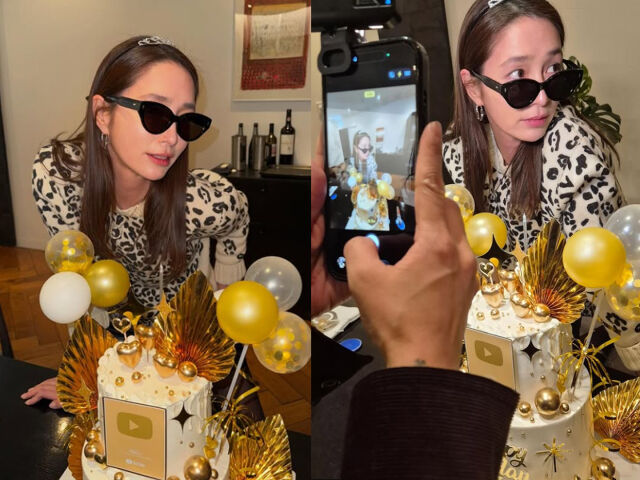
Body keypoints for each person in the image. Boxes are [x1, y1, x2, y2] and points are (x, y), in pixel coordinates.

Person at [22, 35, 249, 408]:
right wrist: (86, 372)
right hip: (117, 330)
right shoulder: (59, 176)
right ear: (103, 114)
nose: (172, 139)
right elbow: (76, 279)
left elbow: (236, 215)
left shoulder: (202, 202)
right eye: (155, 114)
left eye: (186, 122)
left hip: (185, 337)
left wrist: (226, 279)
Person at [312, 122, 519, 479]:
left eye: (369, 148)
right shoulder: (346, 180)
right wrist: (428, 354)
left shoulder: (378, 176)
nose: (366, 153)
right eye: (361, 148)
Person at [445, 0, 640, 370]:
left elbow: (603, 305)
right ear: (474, 88)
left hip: (581, 353)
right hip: (496, 338)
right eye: (519, 77)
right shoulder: (457, 151)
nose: (544, 97)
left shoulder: (575, 154)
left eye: (553, 71)